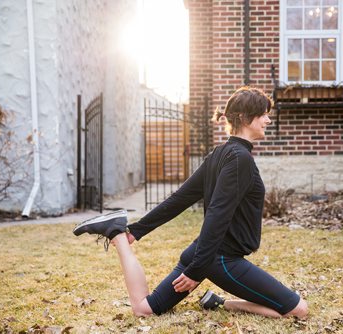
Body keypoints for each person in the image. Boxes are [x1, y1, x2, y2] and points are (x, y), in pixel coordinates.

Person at [73, 86, 308, 319]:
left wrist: (134, 231)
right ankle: (224, 304)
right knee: (298, 310)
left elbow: (179, 199)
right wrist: (197, 270)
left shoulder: (219, 154)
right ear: (245, 118)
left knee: (144, 309)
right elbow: (217, 214)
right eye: (264, 114)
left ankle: (116, 232)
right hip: (220, 260)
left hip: (202, 254)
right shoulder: (240, 159)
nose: (268, 120)